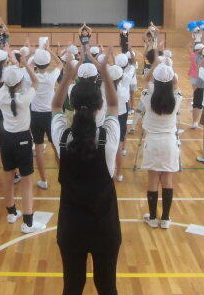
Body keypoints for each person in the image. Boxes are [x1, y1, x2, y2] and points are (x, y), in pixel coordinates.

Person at [51, 49, 121, 295]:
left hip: (71, 226)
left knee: (72, 287)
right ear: (99, 106)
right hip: (105, 226)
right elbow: (115, 104)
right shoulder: (108, 138)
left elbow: (56, 106)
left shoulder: (62, 137)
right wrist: (105, 72)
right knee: (107, 287)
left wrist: (67, 76)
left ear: (72, 104)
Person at [0, 56, 45, 233]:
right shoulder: (24, 98)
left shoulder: (1, 94)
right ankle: (28, 223)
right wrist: (25, 65)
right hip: (22, 139)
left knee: (8, 176)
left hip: (6, 139)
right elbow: (36, 81)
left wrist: (16, 67)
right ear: (19, 83)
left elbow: (8, 84)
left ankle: (11, 212)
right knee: (27, 181)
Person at [141, 59, 181, 229]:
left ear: (155, 81)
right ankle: (165, 219)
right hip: (170, 142)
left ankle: (152, 217)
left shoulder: (148, 97)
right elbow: (175, 84)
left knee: (152, 179)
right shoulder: (177, 98)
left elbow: (145, 80)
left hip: (152, 142)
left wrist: (155, 65)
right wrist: (168, 70)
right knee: (167, 179)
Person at [30, 49, 62, 190]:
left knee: (38, 148)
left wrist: (33, 55)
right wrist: (49, 50)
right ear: (48, 63)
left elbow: (27, 66)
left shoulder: (31, 77)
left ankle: (43, 180)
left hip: (35, 115)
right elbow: (60, 63)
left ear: (36, 64)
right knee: (56, 146)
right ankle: (64, 176)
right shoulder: (51, 77)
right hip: (50, 115)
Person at [188, 43, 204, 129]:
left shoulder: (194, 56)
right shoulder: (203, 59)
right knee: (200, 100)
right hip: (199, 80)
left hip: (195, 77)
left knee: (196, 95)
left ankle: (195, 121)